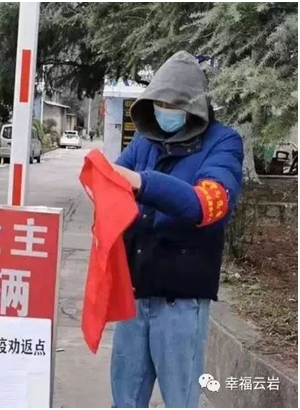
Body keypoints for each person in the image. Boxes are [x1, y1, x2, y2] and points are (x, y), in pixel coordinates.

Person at [109, 51, 243, 407]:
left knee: (180, 400)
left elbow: (208, 204)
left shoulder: (223, 143)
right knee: (124, 399)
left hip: (180, 301)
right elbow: (115, 185)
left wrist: (143, 183)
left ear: (193, 106)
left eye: (173, 104)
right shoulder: (144, 141)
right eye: (159, 103)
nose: (165, 111)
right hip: (135, 293)